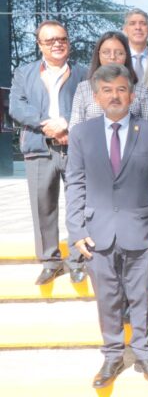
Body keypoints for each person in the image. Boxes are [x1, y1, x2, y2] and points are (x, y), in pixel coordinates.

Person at [65, 64, 148, 388]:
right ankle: (112, 355)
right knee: (107, 300)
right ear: (96, 97)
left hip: (142, 232)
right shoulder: (82, 133)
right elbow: (75, 183)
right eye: (107, 91)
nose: (115, 96)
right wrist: (76, 231)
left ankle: (145, 354)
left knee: (141, 297)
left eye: (121, 89)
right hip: (97, 234)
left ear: (131, 95)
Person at [10, 20, 88, 285]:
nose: (57, 44)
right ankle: (50, 261)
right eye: (50, 40)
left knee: (79, 205)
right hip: (38, 148)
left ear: (68, 42)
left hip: (74, 148)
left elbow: (89, 104)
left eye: (62, 39)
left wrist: (66, 122)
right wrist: (48, 126)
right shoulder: (24, 72)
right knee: (43, 205)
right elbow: (17, 107)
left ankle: (78, 260)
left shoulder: (83, 73)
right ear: (39, 44)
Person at [70, 31, 148, 128]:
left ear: (126, 56)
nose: (112, 57)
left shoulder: (142, 91)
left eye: (119, 53)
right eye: (106, 52)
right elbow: (75, 129)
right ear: (98, 55)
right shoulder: (84, 88)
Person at [123, 8, 148, 83]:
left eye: (143, 23)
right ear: (125, 30)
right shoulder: (118, 60)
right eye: (132, 23)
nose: (138, 28)